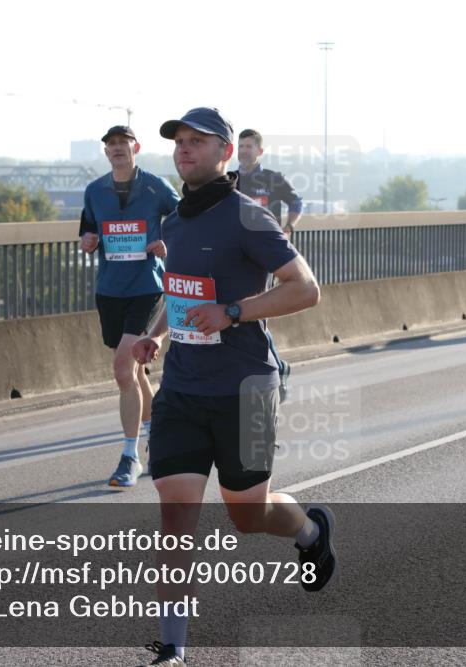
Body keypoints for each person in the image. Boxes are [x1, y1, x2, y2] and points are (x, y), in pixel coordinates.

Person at [131, 108, 335, 666]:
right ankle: (171, 647)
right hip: (183, 389)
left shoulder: (249, 219)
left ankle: (311, 531)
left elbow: (306, 289)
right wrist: (154, 334)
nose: (183, 150)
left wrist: (234, 312)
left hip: (246, 388)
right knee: (176, 514)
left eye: (197, 142)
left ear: (225, 153)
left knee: (248, 514)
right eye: (178, 141)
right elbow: (180, 292)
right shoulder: (174, 222)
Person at [80, 126, 180, 487]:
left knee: (123, 368)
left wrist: (167, 244)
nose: (118, 149)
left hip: (146, 287)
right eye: (111, 145)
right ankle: (159, 440)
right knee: (136, 372)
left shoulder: (156, 186)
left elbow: (184, 223)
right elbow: (87, 233)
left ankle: (129, 456)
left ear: (136, 148)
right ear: (106, 153)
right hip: (110, 290)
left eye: (123, 144)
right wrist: (88, 242)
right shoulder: (94, 191)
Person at [235, 129, 304, 403]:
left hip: (265, 255)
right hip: (236, 255)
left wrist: (288, 226)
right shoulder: (230, 180)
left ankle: (275, 366)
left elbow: (296, 202)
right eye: (240, 146)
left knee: (256, 313)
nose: (244, 151)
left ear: (259, 151)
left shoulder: (273, 179)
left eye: (249, 146)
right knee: (245, 314)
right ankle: (273, 366)